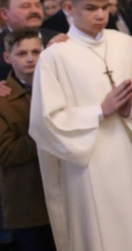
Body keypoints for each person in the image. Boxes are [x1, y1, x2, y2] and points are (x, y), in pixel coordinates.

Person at [28, 0, 132, 251]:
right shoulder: (54, 56)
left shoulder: (124, 43)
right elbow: (46, 120)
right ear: (69, 7)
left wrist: (130, 108)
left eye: (104, 7)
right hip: (86, 162)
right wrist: (99, 111)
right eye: (90, 8)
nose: (100, 15)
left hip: (127, 152)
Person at [0, 30, 55, 250]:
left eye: (36, 51)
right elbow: (6, 152)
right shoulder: (4, 100)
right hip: (28, 203)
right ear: (7, 58)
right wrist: (48, 133)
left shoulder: (57, 90)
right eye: (22, 53)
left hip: (65, 195)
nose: (31, 58)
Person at [0, 0, 62, 80]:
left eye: (38, 6)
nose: (34, 11)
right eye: (25, 6)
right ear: (5, 14)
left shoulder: (58, 39)